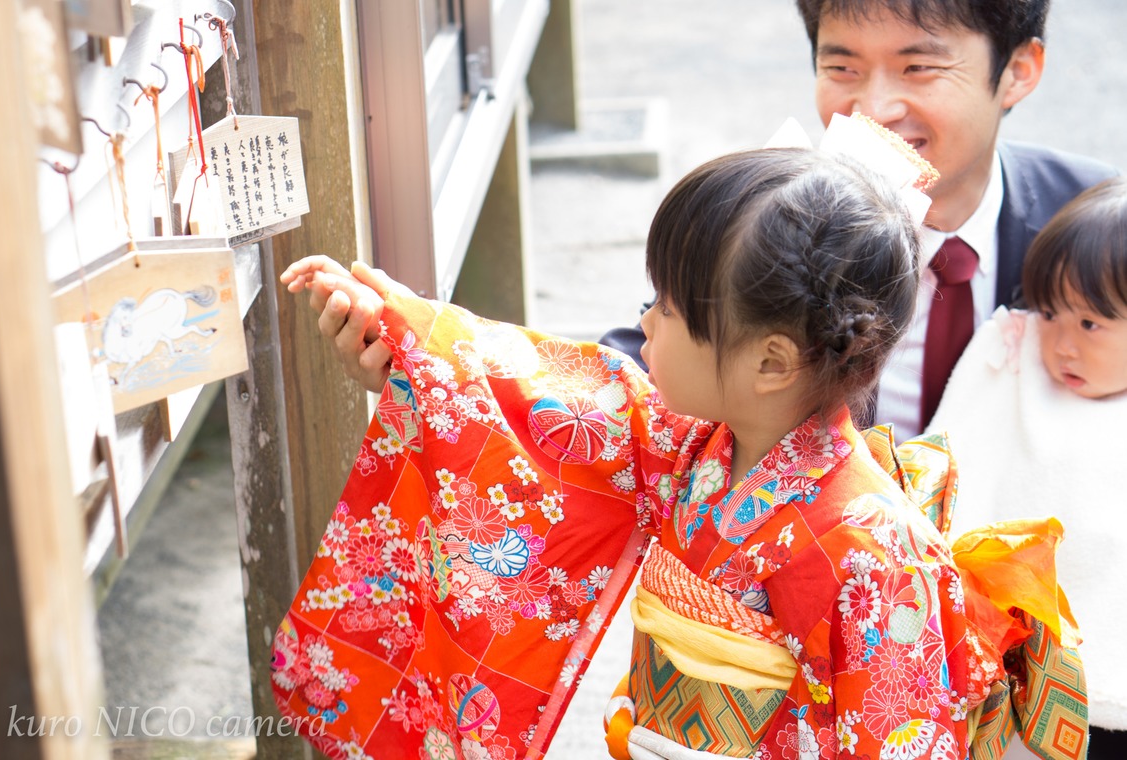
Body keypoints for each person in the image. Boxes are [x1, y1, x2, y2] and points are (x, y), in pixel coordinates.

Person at [273, 127, 1081, 759]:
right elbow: (548, 400)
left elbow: (901, 739)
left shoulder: (874, 552)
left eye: (668, 307)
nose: (645, 323)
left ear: (770, 363)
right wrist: (412, 335)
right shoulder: (692, 445)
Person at [596, 0, 1118, 439]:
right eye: (843, 69)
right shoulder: (781, 216)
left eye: (919, 68)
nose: (874, 108)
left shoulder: (1095, 224)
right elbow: (662, 346)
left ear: (1018, 70)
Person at [928, 177, 1127, 758]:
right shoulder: (1011, 362)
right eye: (1049, 313)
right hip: (995, 667)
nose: (1062, 344)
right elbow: (951, 462)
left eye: (1090, 324)